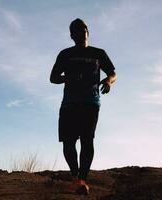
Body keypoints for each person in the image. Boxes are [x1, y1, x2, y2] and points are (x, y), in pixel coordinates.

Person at [50, 18, 117, 195]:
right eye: (77, 30)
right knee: (68, 143)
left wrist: (109, 81)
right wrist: (68, 78)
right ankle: (74, 176)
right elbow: (53, 77)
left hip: (90, 102)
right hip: (70, 103)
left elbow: (112, 72)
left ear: (88, 32)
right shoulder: (65, 54)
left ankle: (82, 180)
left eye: (84, 28)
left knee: (87, 141)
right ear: (72, 35)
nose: (82, 31)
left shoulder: (98, 53)